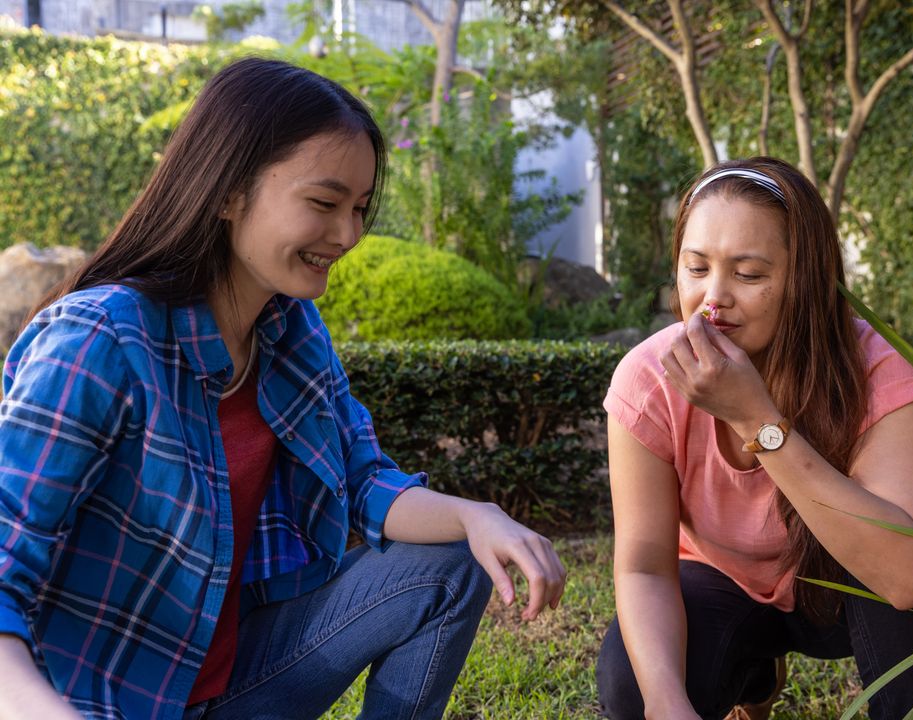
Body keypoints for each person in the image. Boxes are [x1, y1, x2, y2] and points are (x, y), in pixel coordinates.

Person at [0, 57, 566, 720]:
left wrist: (477, 515)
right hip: (95, 701)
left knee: (451, 560)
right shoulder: (99, 341)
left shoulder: (291, 330)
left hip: (237, 686)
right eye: (324, 204)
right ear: (228, 191)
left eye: (358, 209)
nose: (350, 234)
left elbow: (362, 483)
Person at [594, 157, 913, 720]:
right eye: (696, 268)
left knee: (901, 557)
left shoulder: (878, 375)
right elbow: (642, 566)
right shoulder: (649, 380)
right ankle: (754, 673)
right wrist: (666, 704)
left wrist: (754, 417)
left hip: (839, 585)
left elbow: (908, 579)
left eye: (749, 274)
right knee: (635, 688)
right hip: (721, 583)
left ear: (802, 278)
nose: (714, 297)